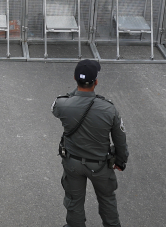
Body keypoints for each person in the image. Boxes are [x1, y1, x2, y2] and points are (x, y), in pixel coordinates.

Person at [52, 59, 128, 227]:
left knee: (74, 201)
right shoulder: (109, 109)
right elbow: (120, 139)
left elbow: (60, 105)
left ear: (74, 78)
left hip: (73, 163)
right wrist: (121, 160)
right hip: (100, 166)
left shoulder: (62, 105)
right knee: (107, 200)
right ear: (96, 82)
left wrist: (78, 93)